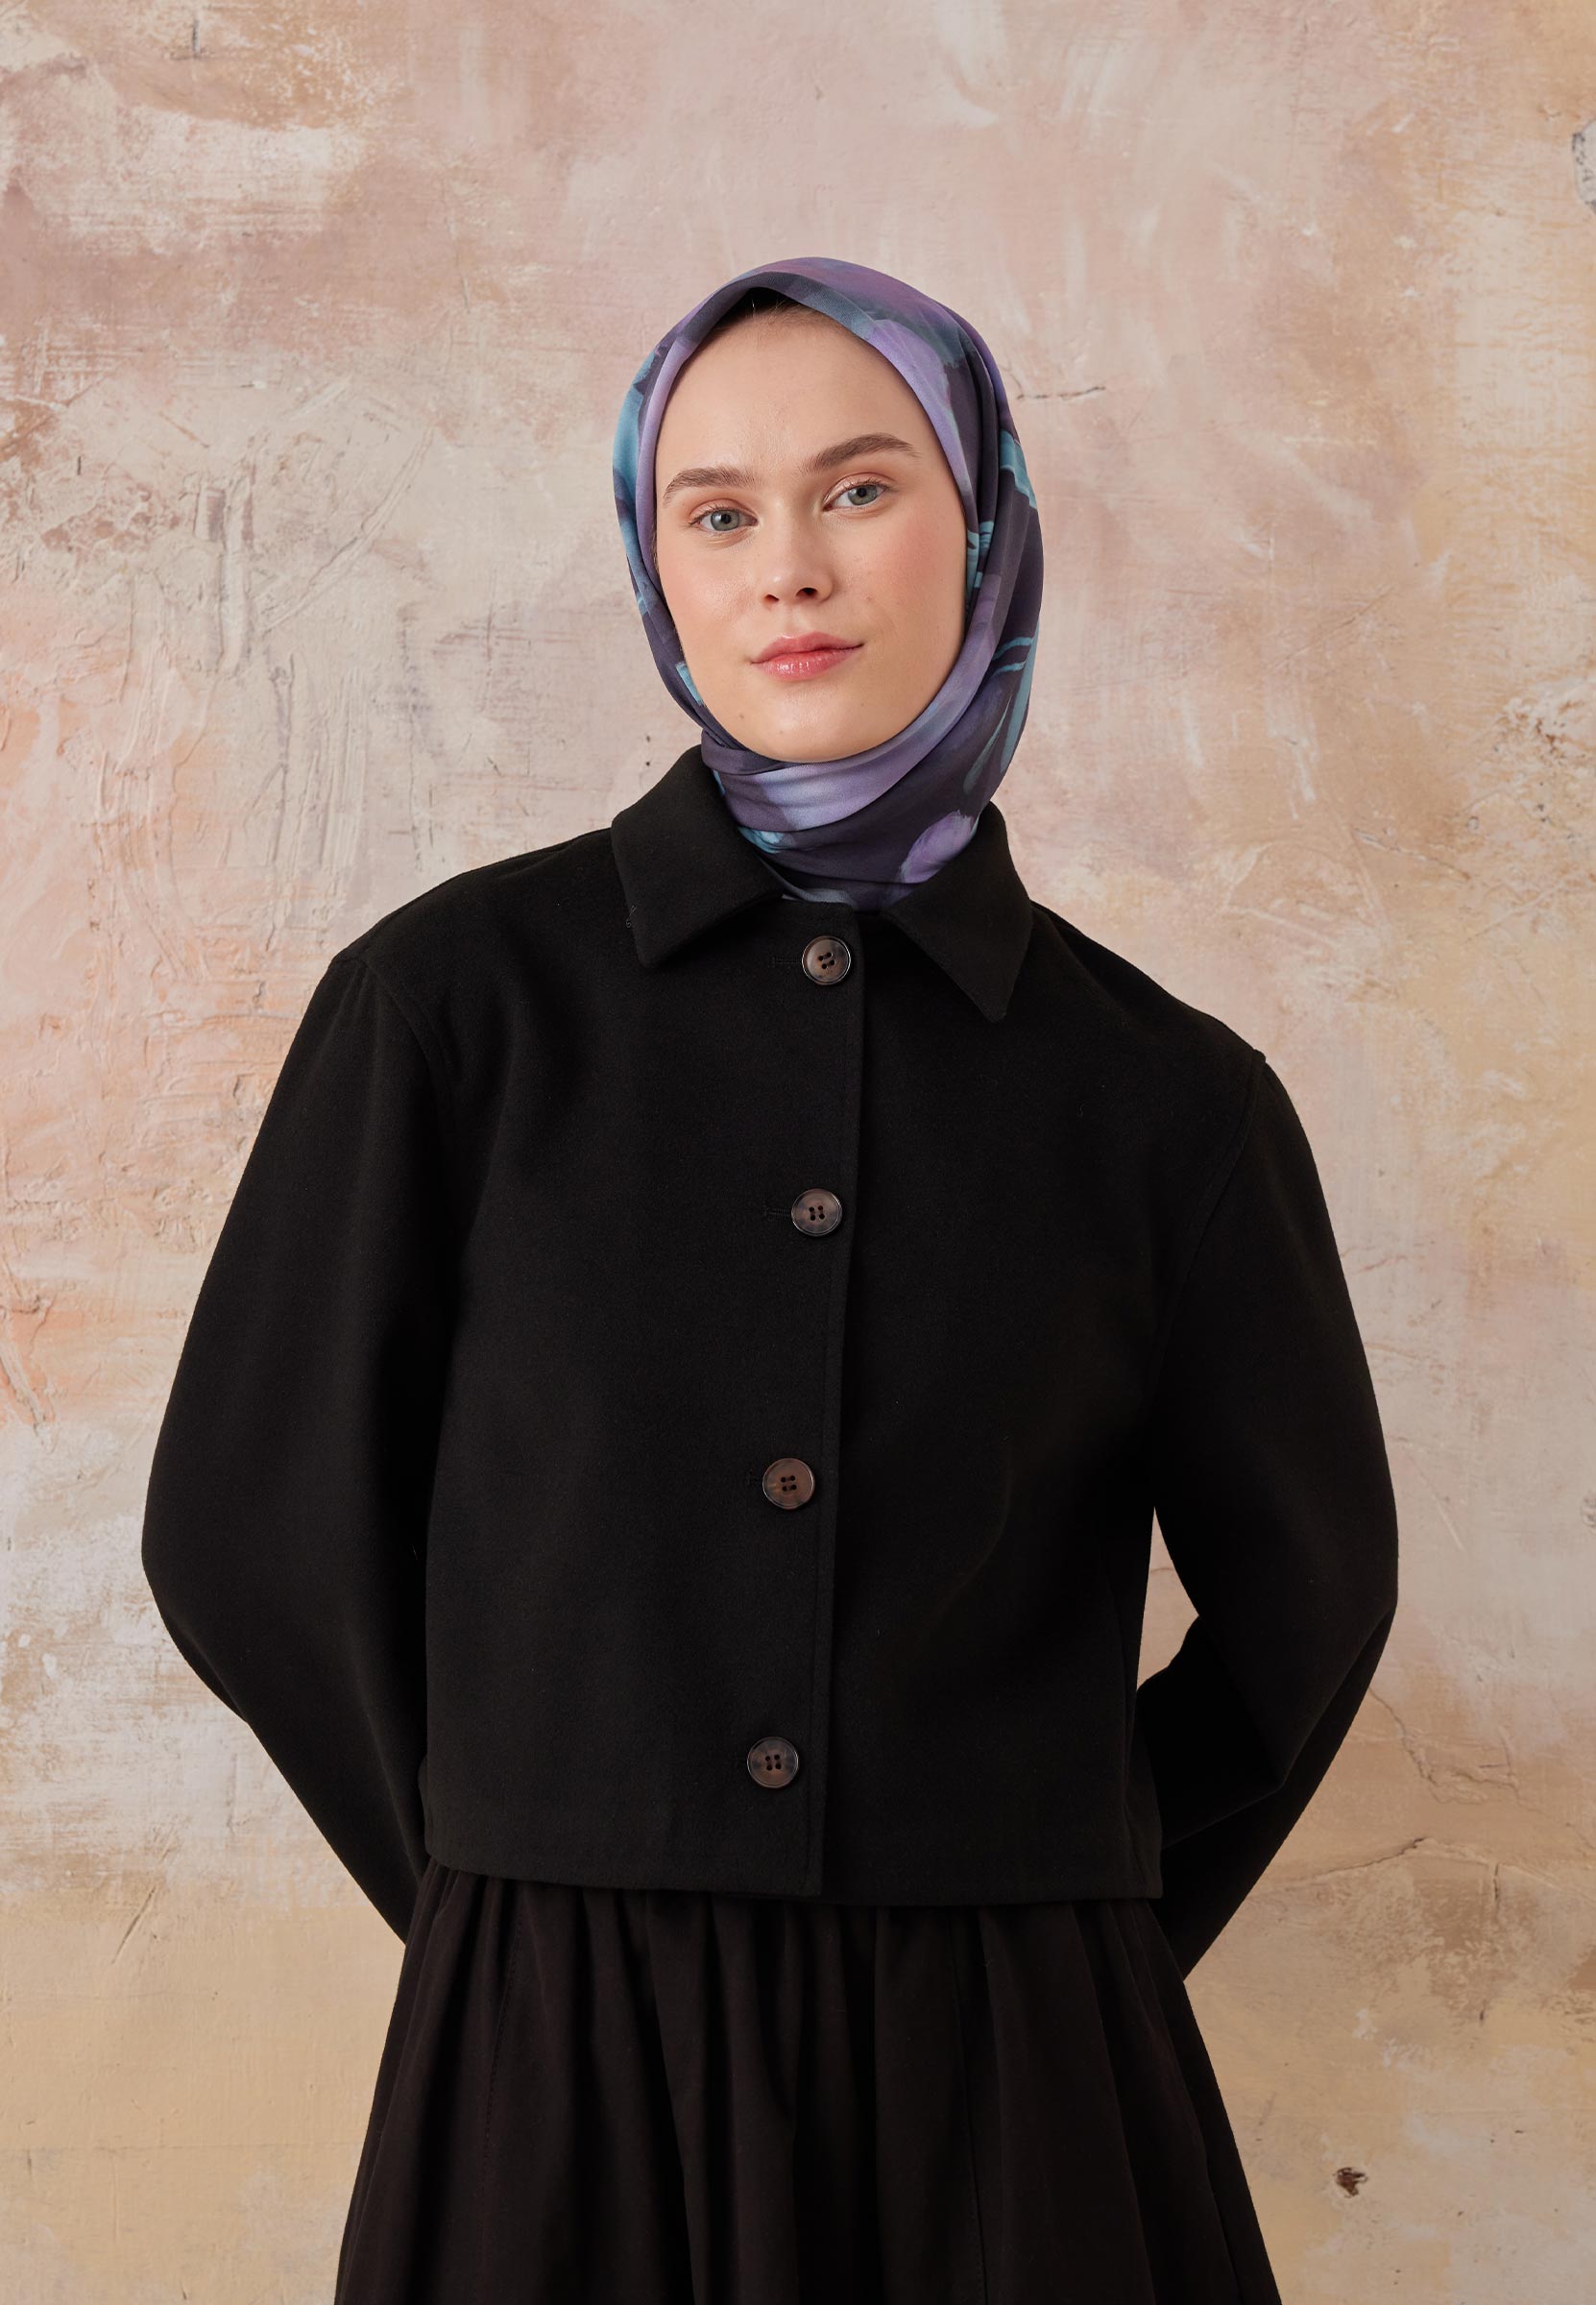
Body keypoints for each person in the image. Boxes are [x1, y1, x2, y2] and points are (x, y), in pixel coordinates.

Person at [141, 257, 1400, 2303]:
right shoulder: (451, 1013)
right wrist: (510, 1875)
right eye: (715, 512)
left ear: (982, 527)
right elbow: (247, 1533)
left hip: (1019, 2070)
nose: (787, 568)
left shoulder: (1166, 1096)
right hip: (553, 2057)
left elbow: (1310, 1596)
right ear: (655, 569)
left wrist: (1062, 1898)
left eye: (860, 489)